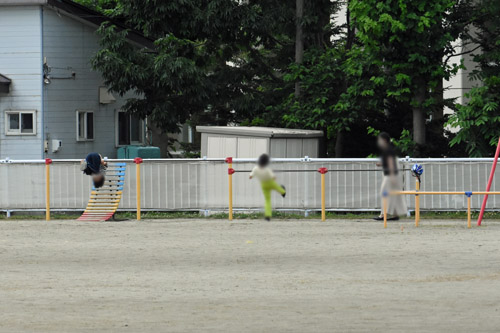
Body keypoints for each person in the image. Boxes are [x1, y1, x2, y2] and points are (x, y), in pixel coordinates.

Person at [373, 132, 407, 221]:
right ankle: (395, 214)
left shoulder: (388, 150)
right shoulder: (389, 149)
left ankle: (383, 215)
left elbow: (391, 164)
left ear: (384, 140)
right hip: (391, 175)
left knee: (384, 193)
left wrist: (392, 177)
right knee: (393, 194)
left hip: (390, 175)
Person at [249, 154, 286, 221]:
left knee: (267, 200)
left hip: (263, 184)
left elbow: (251, 176)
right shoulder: (267, 169)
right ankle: (283, 192)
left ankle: (267, 215)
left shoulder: (255, 168)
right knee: (278, 188)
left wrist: (253, 176)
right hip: (270, 182)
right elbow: (273, 177)